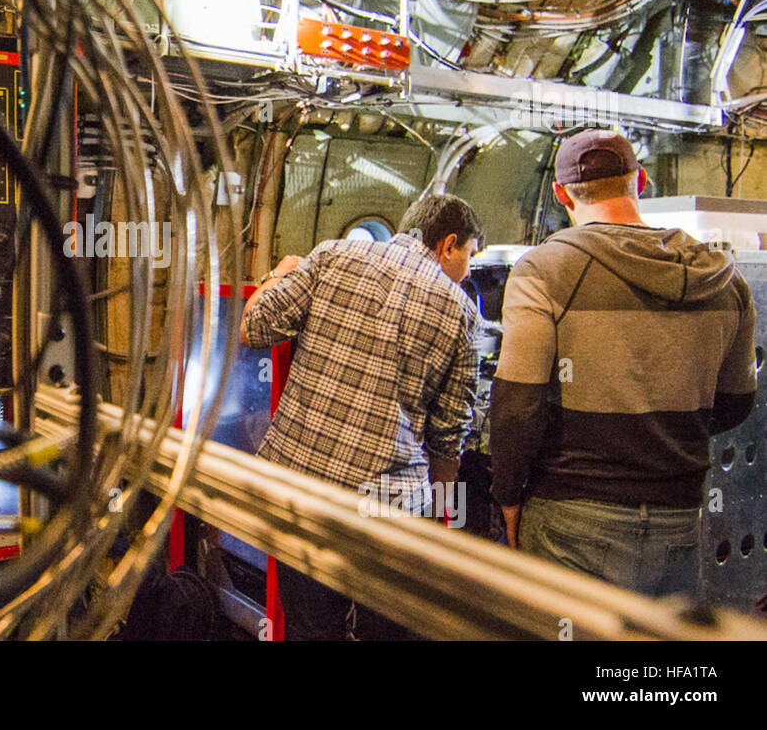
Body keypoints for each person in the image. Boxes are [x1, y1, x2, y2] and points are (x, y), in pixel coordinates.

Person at [489, 128, 757, 597]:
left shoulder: (543, 271)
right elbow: (736, 403)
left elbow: (518, 405)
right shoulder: (724, 279)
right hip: (679, 516)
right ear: (642, 180)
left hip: (571, 515)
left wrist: (508, 499)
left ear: (559, 194)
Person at [240, 194, 483, 640]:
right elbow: (449, 438)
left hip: (299, 490)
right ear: (448, 243)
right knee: (388, 631)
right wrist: (442, 522)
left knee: (312, 629)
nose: (467, 271)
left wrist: (280, 272)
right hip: (388, 504)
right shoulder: (463, 312)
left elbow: (254, 327)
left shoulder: (333, 254)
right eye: (469, 255)